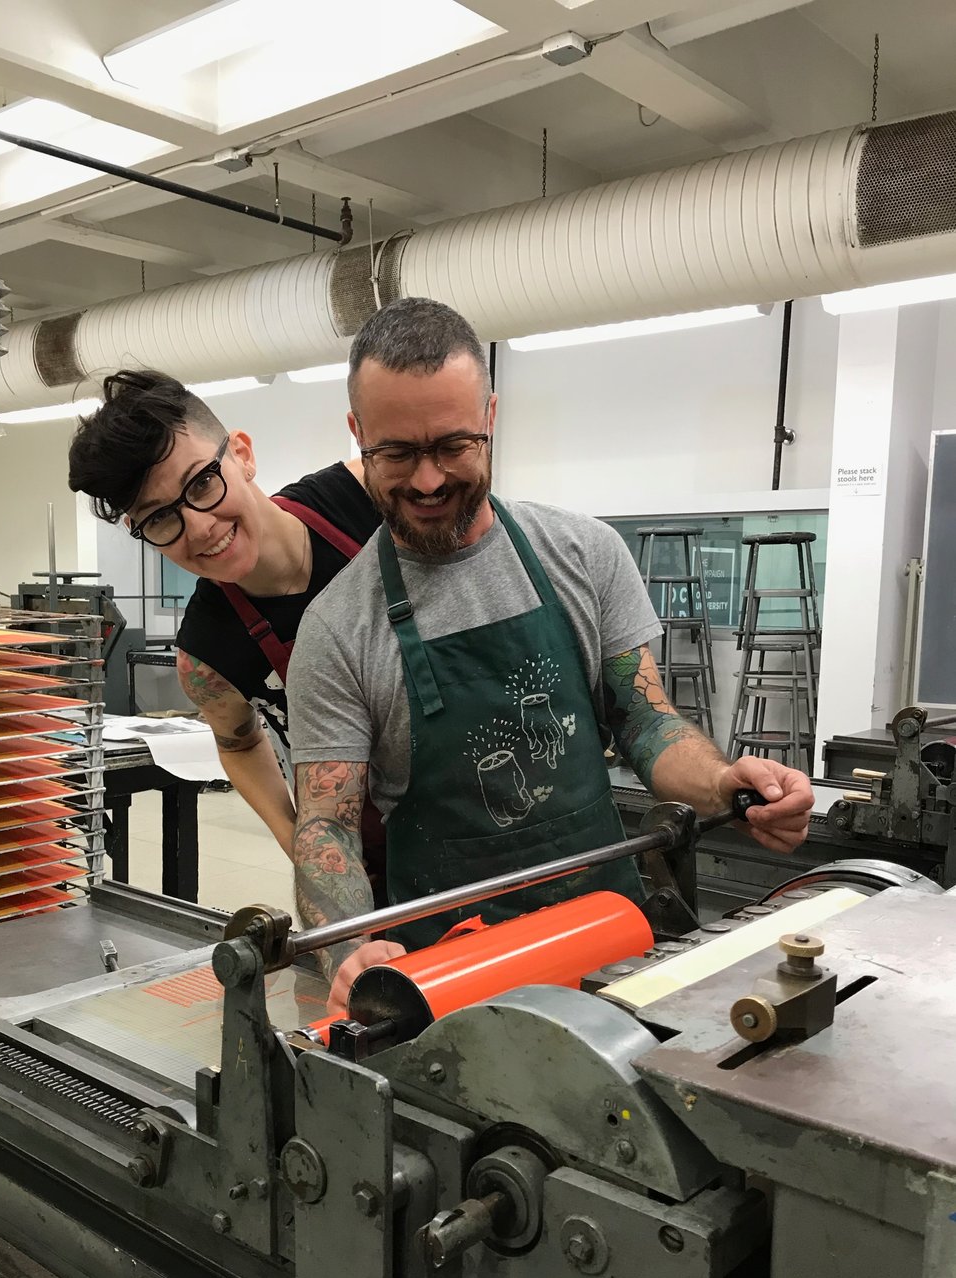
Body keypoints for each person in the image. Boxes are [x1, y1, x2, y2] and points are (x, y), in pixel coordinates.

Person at [286, 298, 815, 1008]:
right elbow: (327, 824)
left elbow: (646, 721)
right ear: (358, 435)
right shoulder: (339, 627)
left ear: (492, 418)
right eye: (398, 453)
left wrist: (727, 783)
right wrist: (347, 949)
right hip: (448, 979)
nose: (429, 480)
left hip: (611, 946)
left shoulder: (584, 555)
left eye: (453, 446)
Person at [67, 370, 381, 865]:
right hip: (370, 861)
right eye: (161, 518)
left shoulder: (367, 493)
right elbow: (239, 743)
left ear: (242, 455)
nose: (200, 526)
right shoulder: (207, 652)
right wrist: (298, 840)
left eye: (202, 482)